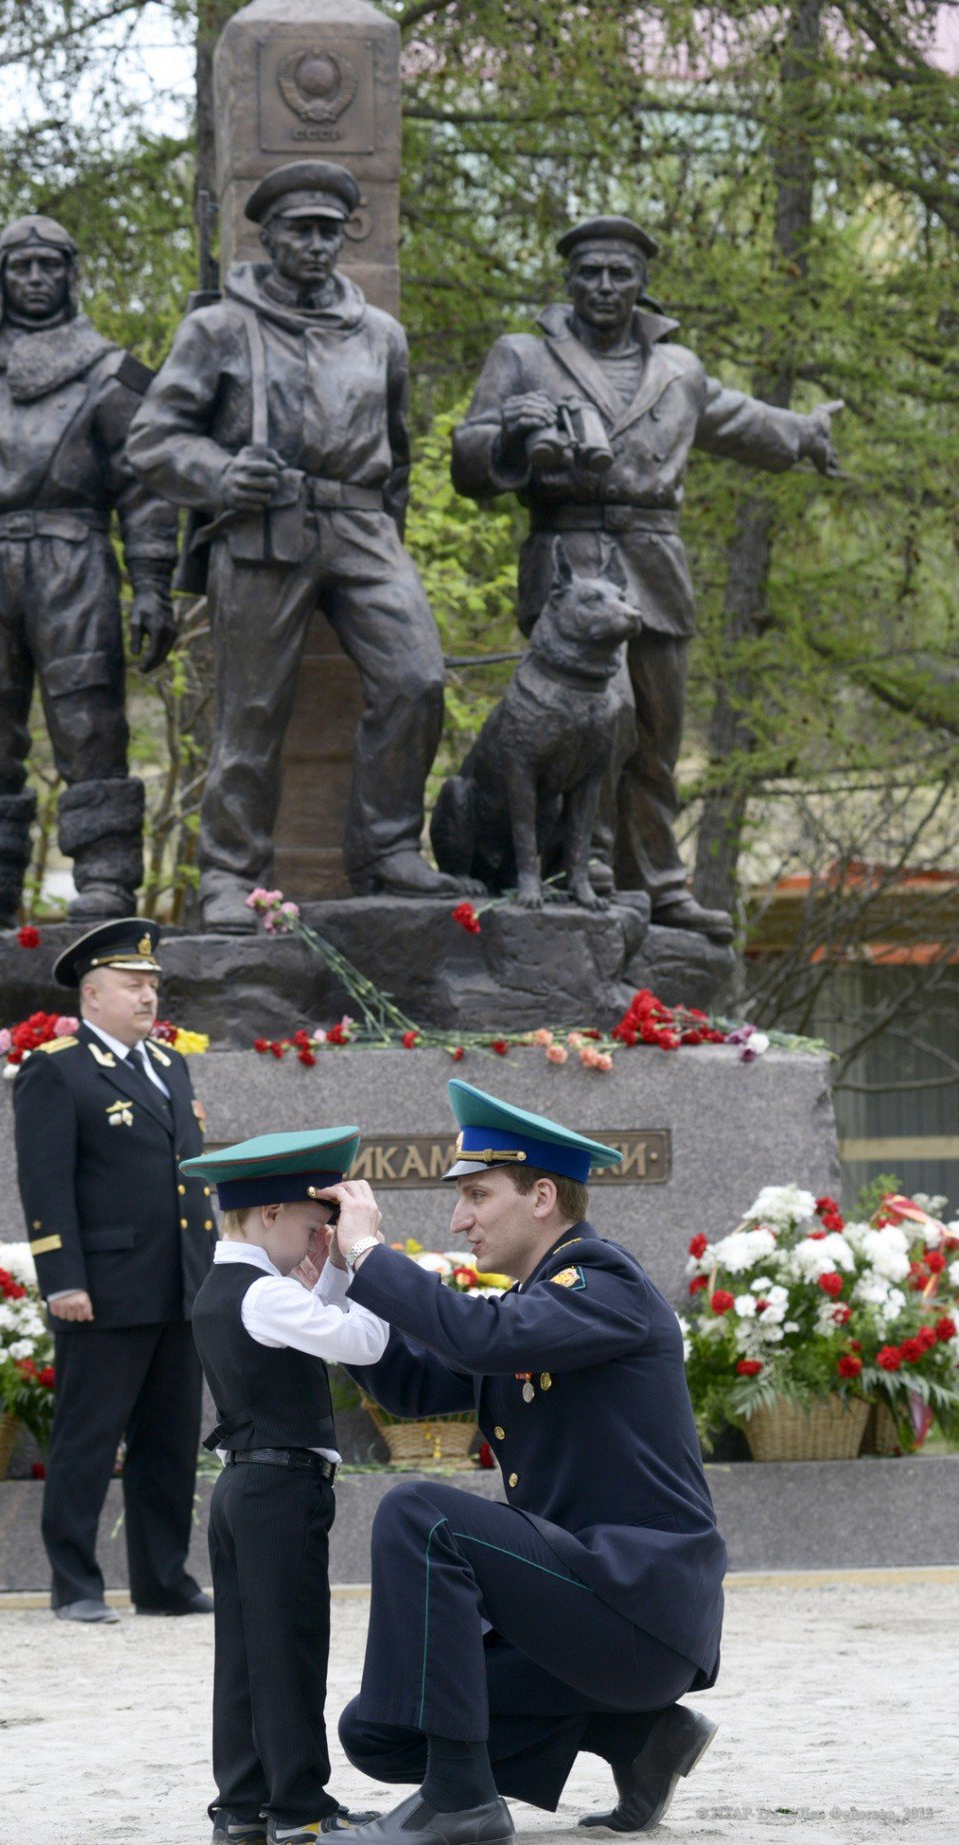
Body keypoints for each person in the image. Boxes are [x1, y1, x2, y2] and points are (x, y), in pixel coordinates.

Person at [313, 1080, 725, 1842]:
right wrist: (334, 1284)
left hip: (637, 1612)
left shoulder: (605, 1284)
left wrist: (372, 1250)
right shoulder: (536, 1305)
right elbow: (412, 1382)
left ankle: (462, 1801)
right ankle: (638, 1737)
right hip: (582, 1612)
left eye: (476, 1194)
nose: (458, 1217)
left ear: (542, 1196)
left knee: (420, 1512)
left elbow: (481, 1340)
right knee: (380, 1728)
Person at [451, 214, 843, 942]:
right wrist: (510, 431)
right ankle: (585, 869)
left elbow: (735, 418)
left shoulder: (678, 369)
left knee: (658, 731)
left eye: (620, 273)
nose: (604, 286)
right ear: (567, 281)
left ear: (641, 283)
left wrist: (804, 435)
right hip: (571, 559)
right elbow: (468, 458)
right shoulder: (524, 355)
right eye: (590, 272)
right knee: (595, 717)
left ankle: (659, 884)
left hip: (654, 561)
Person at [126, 160, 477, 932]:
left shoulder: (381, 335)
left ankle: (385, 849)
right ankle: (230, 875)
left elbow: (399, 451)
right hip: (262, 530)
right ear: (270, 235)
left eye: (327, 231)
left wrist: (389, 545)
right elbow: (152, 440)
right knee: (250, 712)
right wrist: (220, 473)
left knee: (417, 678)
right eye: (299, 230)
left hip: (361, 527)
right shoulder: (217, 327)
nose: (315, 245)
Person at [0, 215, 179, 933]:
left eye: (50, 266)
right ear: (2, 279)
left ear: (70, 275)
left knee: (87, 718)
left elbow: (144, 487)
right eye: (22, 267)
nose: (37, 279)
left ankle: (106, 878)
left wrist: (152, 584)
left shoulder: (108, 372)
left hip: (70, 557)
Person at [181, 1127, 389, 1845]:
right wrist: (366, 1257)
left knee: (246, 1654)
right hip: (283, 1489)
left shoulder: (235, 1287)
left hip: (246, 1487)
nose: (318, 1237)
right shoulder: (265, 1296)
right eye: (312, 1223)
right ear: (270, 1212)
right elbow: (362, 1340)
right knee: (291, 1648)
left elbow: (315, 1324)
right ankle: (301, 1806)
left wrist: (329, 1273)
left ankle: (243, 1804)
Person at [12, 918, 215, 1623]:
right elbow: (45, 1185)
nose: (148, 996)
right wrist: (62, 1278)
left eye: (153, 985)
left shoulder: (170, 1066)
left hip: (177, 1287)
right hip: (102, 1290)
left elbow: (189, 1182)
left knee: (169, 1444)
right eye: (133, 985)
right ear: (91, 995)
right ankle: (75, 1582)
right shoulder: (56, 1068)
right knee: (88, 1440)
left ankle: (163, 1581)